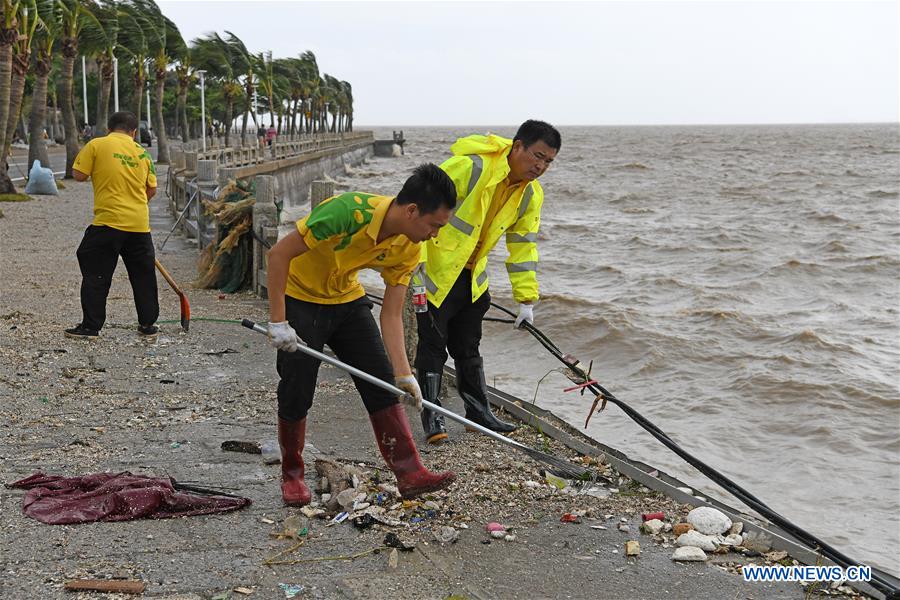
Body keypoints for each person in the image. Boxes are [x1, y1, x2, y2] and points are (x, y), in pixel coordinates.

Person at [266, 163, 458, 506]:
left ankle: (410, 472)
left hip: (347, 300)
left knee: (380, 381)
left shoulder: (410, 247)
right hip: (301, 297)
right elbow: (278, 254)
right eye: (435, 225)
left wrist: (403, 375)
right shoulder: (348, 212)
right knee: (297, 388)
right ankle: (292, 473)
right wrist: (279, 322)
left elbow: (393, 312)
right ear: (413, 211)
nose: (436, 235)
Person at [414, 119, 562, 444]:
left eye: (548, 161)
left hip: (472, 278)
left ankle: (478, 414)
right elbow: (418, 205)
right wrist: (413, 268)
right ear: (517, 146)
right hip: (434, 273)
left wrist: (526, 300)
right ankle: (432, 416)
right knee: (432, 345)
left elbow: (523, 247)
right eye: (537, 156)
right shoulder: (472, 167)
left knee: (468, 346)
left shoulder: (530, 195)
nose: (540, 166)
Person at [65, 111, 159, 340]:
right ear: (134, 132)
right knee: (143, 275)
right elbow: (152, 189)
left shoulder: (97, 145)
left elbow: (78, 175)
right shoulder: (143, 154)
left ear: (109, 128)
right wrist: (133, 203)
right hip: (139, 225)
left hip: (108, 222)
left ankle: (91, 327)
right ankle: (148, 325)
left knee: (95, 271)